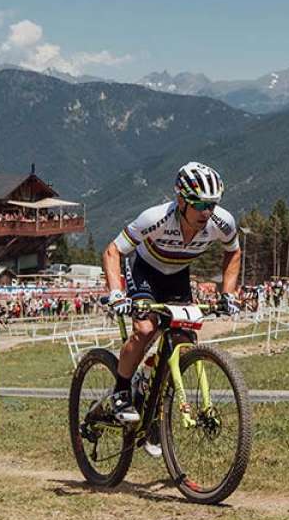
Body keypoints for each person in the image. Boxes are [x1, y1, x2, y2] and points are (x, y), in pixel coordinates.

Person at [100, 162, 241, 457]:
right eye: (200, 204)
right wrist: (116, 294)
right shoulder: (155, 218)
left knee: (184, 342)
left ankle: (155, 414)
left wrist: (227, 293)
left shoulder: (221, 221)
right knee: (146, 329)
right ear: (181, 200)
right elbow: (113, 251)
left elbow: (233, 251)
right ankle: (121, 391)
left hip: (177, 274)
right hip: (145, 271)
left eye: (213, 204)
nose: (207, 212)